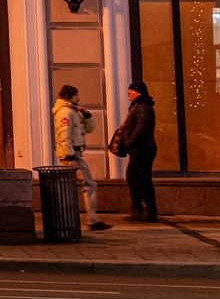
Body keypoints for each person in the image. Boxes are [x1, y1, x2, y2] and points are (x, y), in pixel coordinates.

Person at [53, 84, 109, 231]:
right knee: (89, 184)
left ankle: (77, 219)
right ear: (70, 96)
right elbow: (63, 134)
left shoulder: (73, 111)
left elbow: (89, 129)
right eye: (76, 94)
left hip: (74, 153)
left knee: (73, 186)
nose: (79, 97)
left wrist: (86, 115)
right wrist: (69, 156)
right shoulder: (66, 112)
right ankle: (91, 219)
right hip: (72, 154)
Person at [111, 80, 159, 222]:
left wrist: (131, 140)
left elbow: (142, 126)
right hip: (142, 148)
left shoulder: (142, 106)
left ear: (137, 91)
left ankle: (139, 210)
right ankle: (150, 211)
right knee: (143, 179)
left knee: (134, 178)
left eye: (130, 92)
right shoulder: (140, 105)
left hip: (141, 149)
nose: (128, 94)